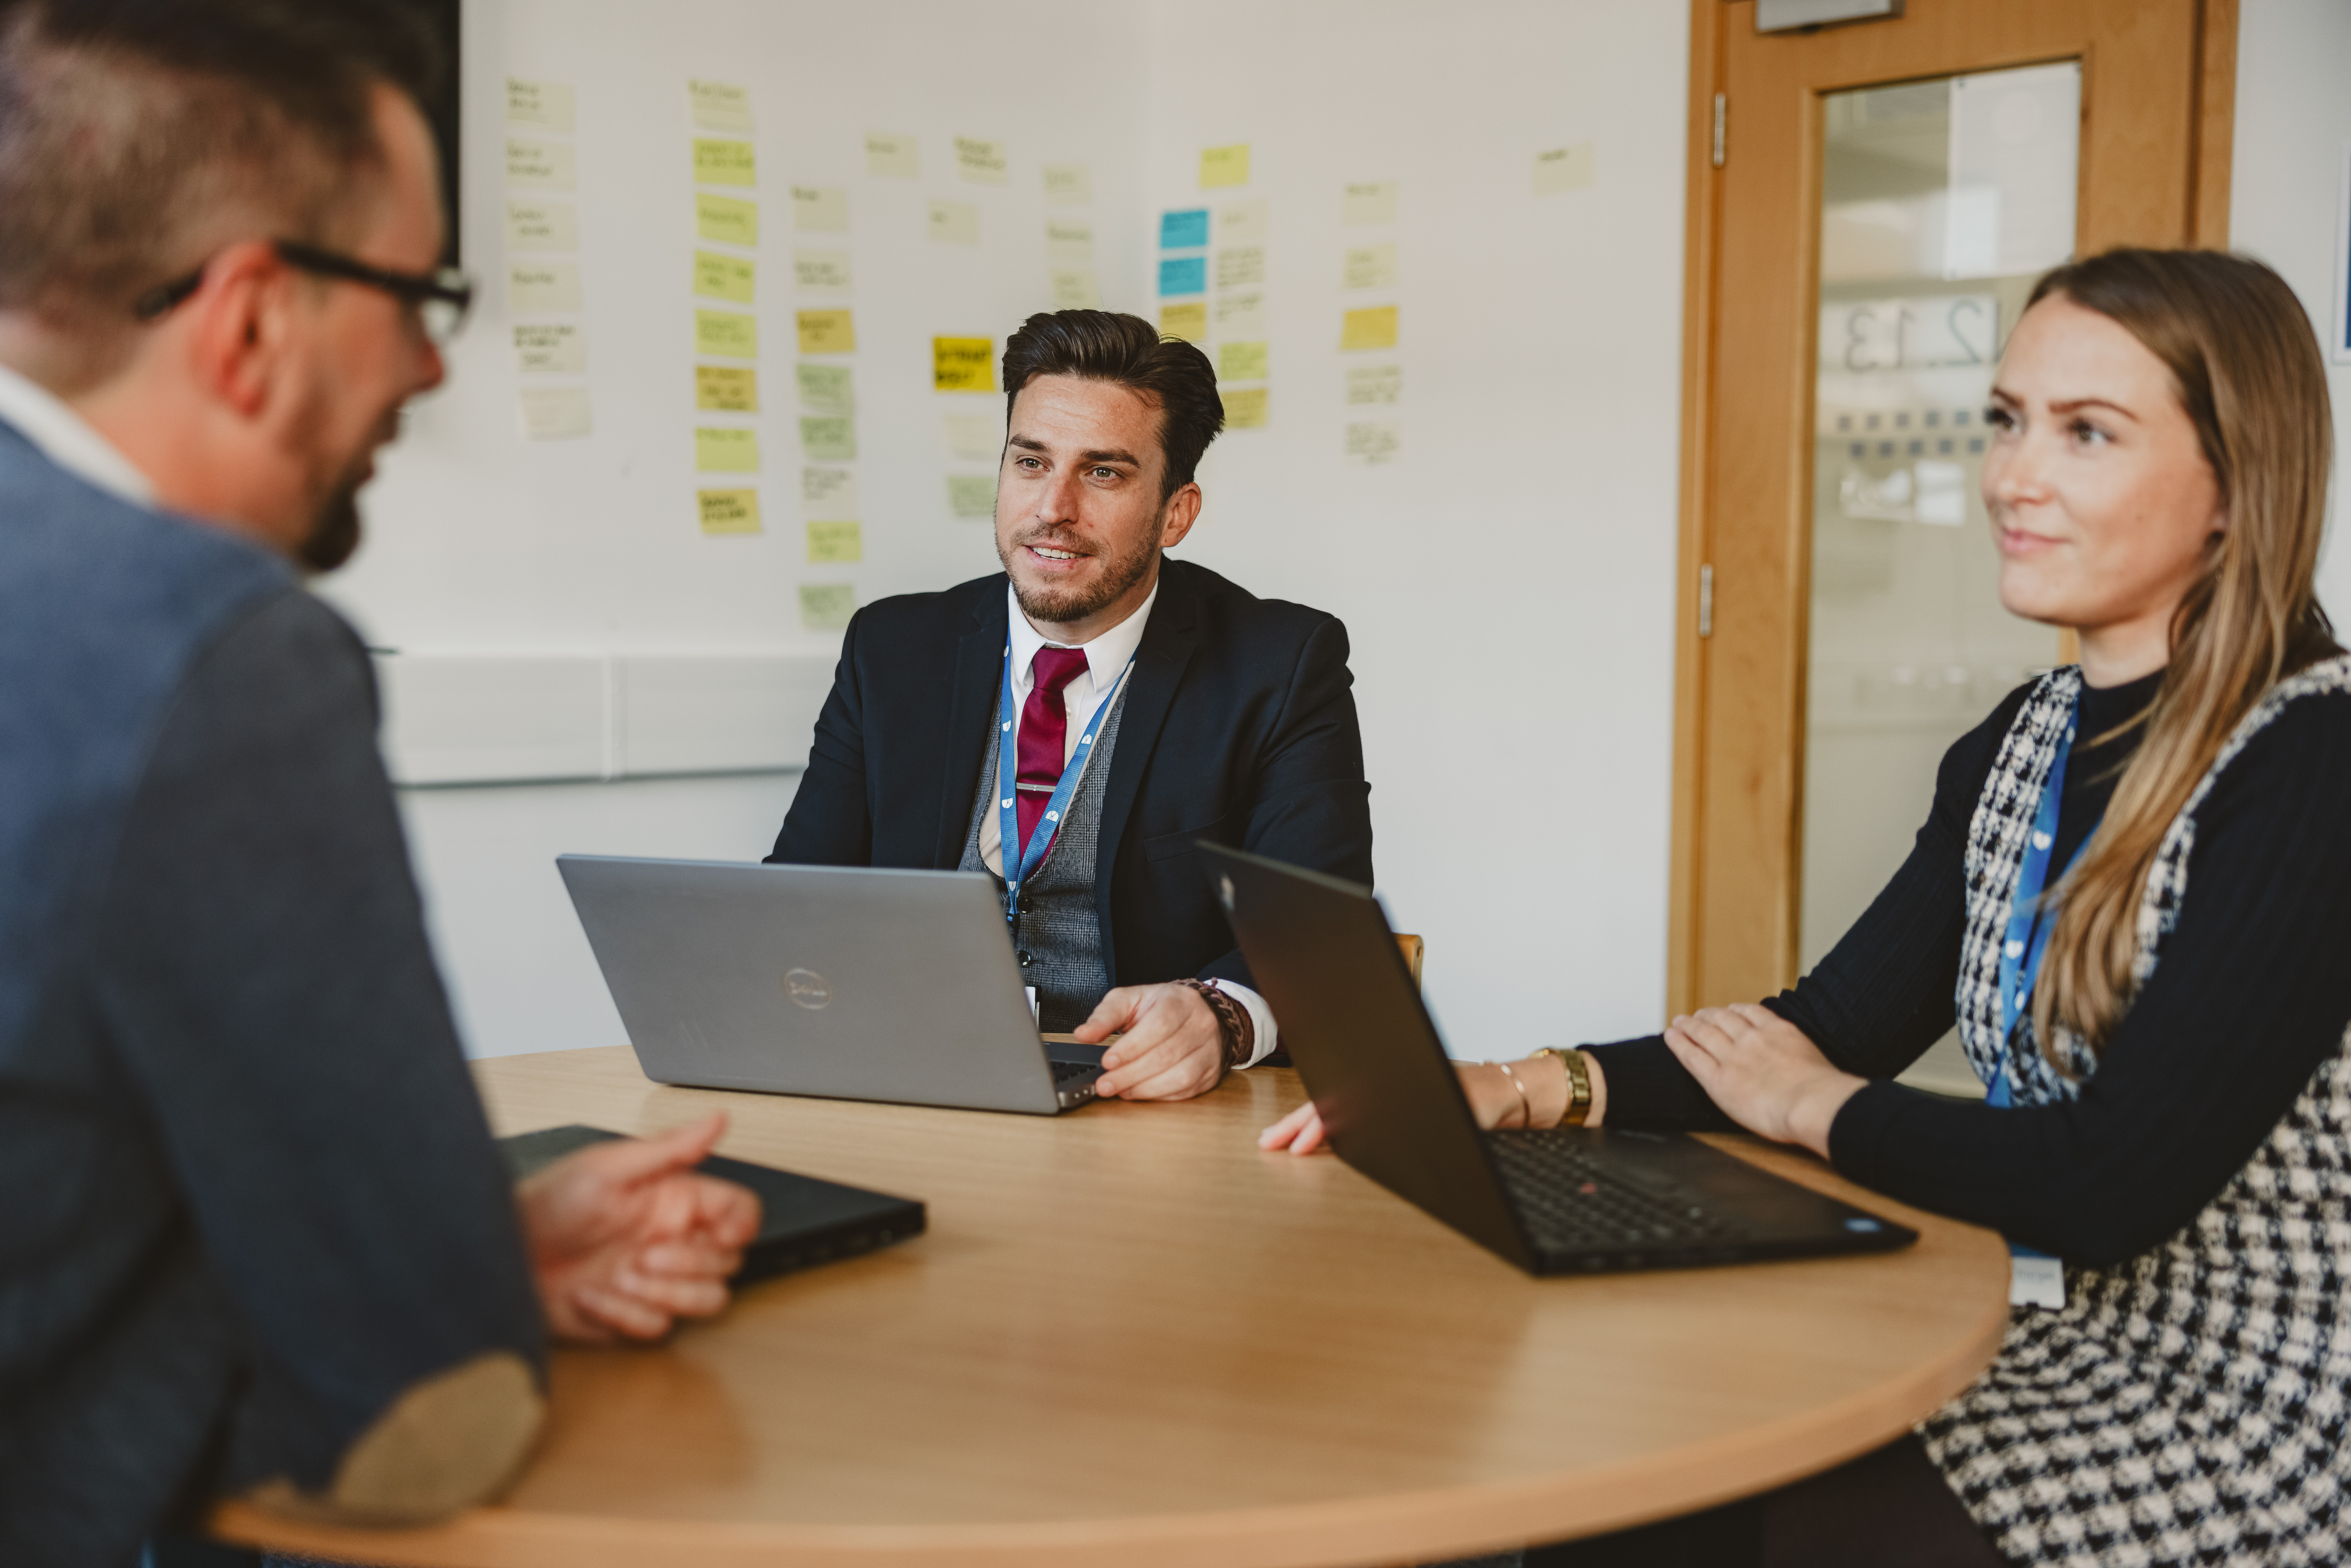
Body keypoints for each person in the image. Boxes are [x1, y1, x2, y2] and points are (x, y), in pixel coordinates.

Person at [1266, 248, 2351, 1567]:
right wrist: (1528, 1084)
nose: (2015, 476)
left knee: (1669, 1515)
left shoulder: (2312, 765)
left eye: (2089, 434)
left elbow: (2102, 1185)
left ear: (2238, 487)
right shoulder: (2026, 742)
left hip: (2259, 1426)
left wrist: (1812, 1109)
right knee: (1609, 1462)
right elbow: (1821, 1025)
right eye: (2008, 422)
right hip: (2075, 1352)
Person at [0, 5, 761, 1565]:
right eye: (421, 294)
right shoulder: (216, 658)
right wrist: (459, 1279)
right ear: (253, 318)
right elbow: (418, 1399)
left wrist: (485, 1240)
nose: (426, 361)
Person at [769, 310, 1374, 1101]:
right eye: (1030, 462)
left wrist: (1220, 1015)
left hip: (1145, 1106)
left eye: (1103, 474)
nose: (1053, 507)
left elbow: (1318, 931)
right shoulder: (893, 650)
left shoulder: (1280, 665)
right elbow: (797, 898)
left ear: (1177, 512)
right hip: (910, 1084)